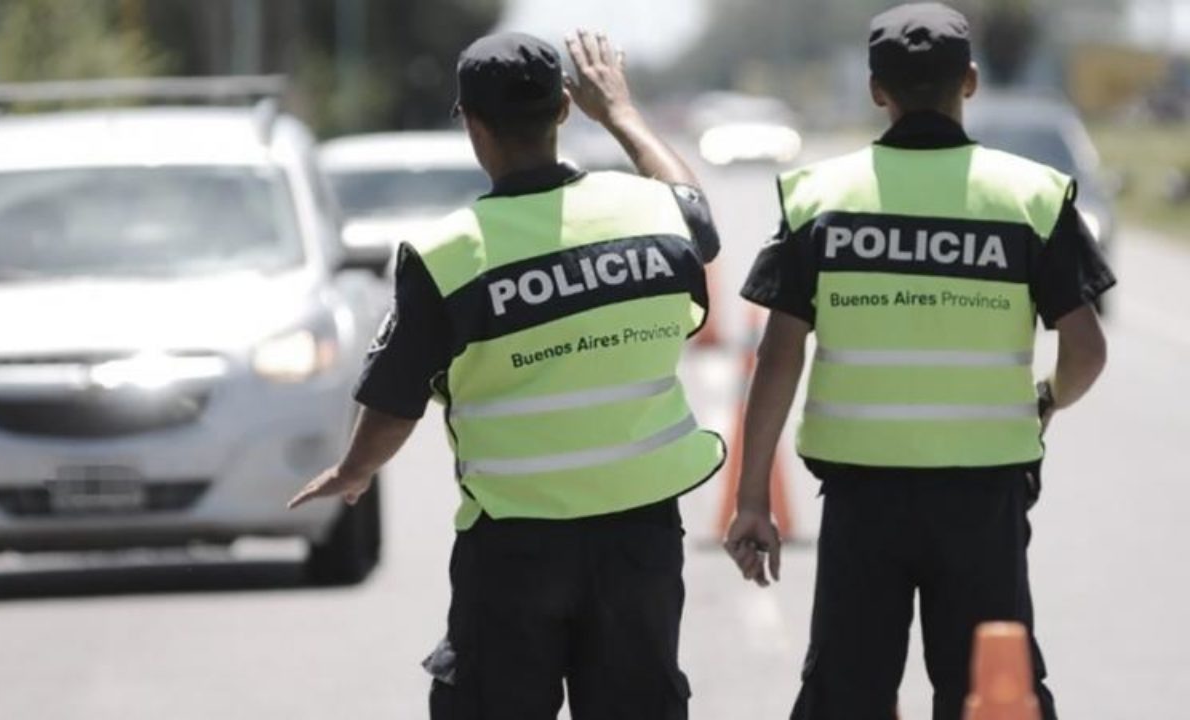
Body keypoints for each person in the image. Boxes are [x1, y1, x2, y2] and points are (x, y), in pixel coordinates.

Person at [289, 30, 725, 719]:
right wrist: (622, 115)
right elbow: (695, 210)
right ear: (562, 113)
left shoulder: (448, 256)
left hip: (517, 547)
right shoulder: (654, 213)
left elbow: (396, 400)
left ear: (471, 123)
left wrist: (354, 469)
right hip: (639, 541)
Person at [723, 3, 1114, 719]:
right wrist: (1047, 399)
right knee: (988, 690)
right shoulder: (1028, 197)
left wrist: (752, 499)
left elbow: (778, 357)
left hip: (861, 501)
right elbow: (1086, 350)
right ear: (969, 81)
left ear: (879, 90)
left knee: (847, 694)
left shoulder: (820, 200)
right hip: (982, 500)